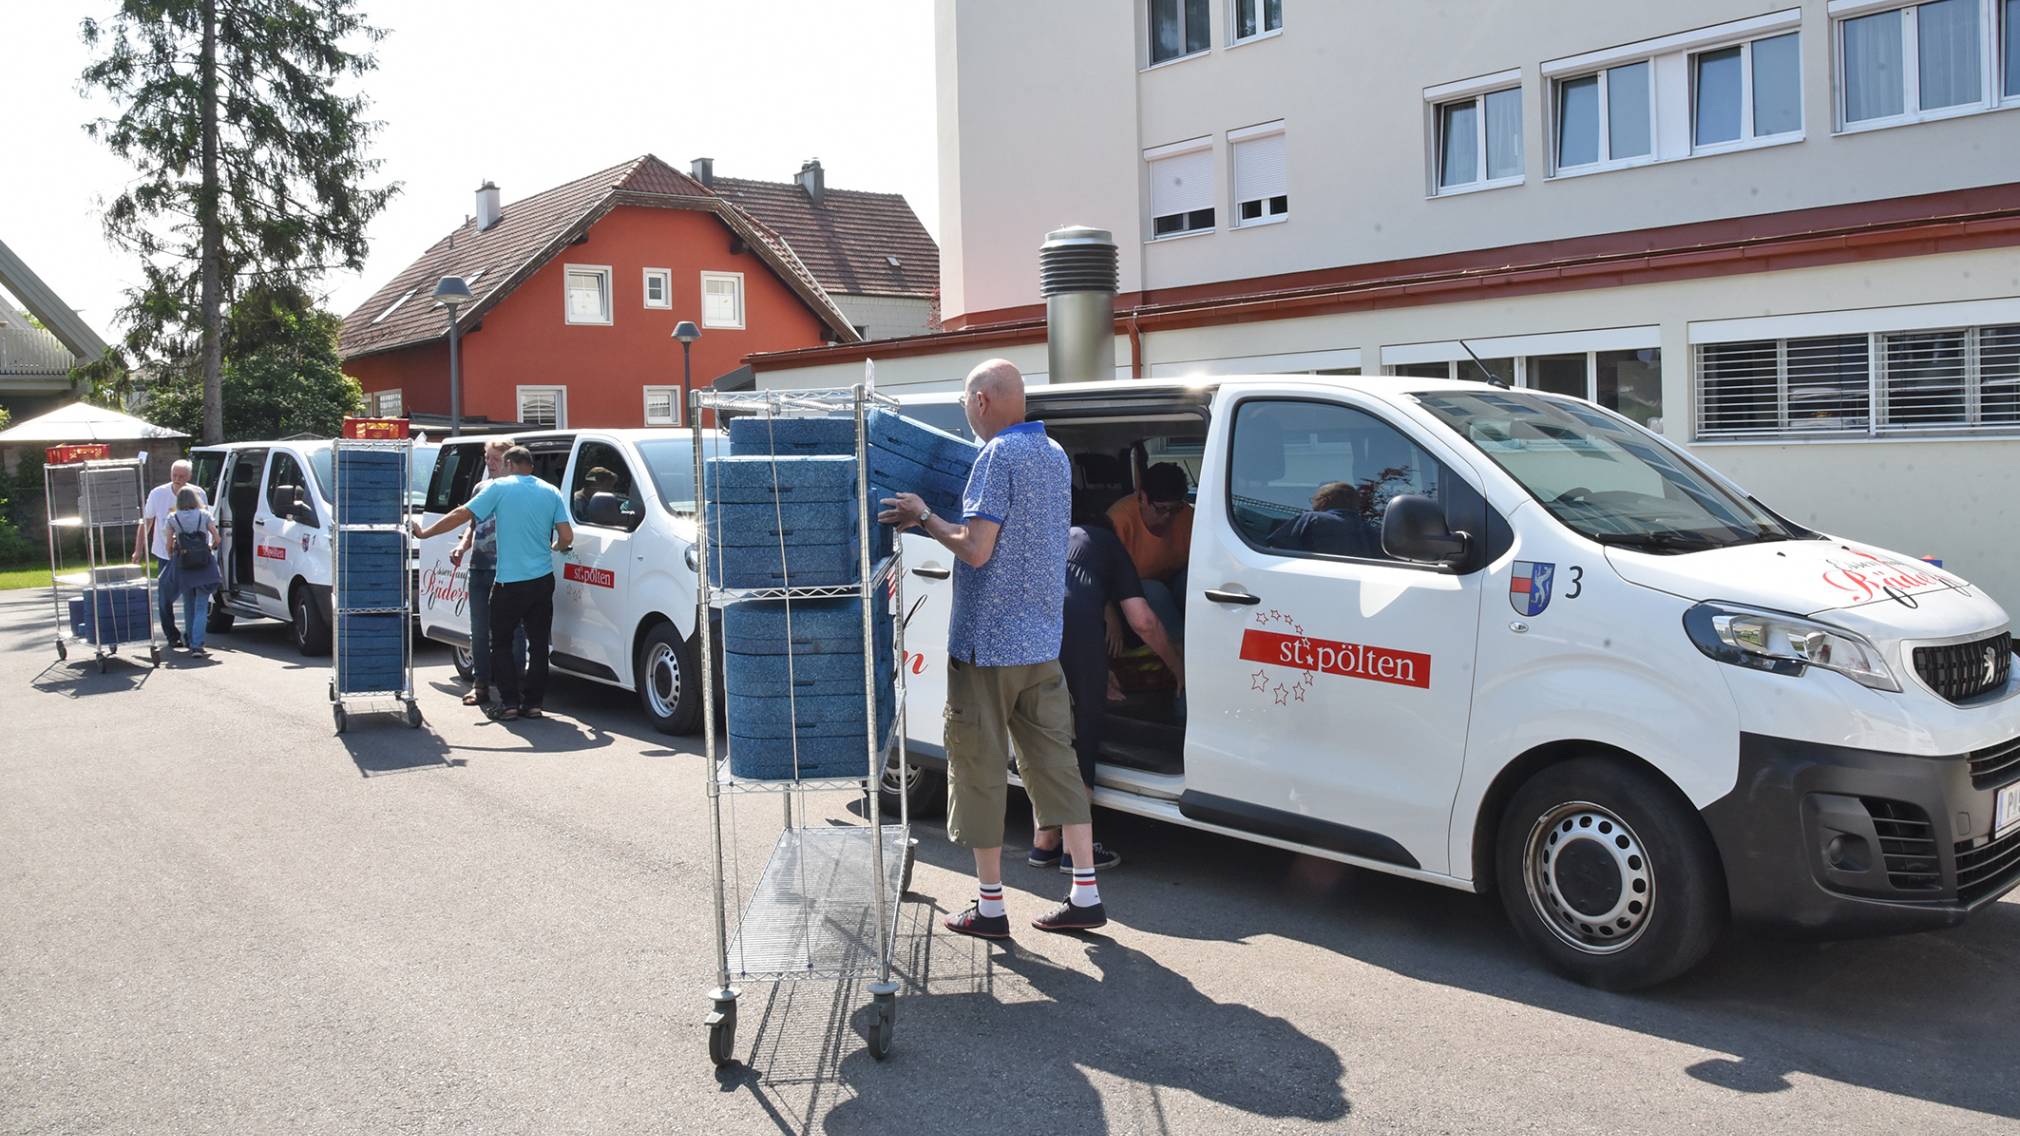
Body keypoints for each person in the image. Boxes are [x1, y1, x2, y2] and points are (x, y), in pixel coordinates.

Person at [879, 358, 1108, 938]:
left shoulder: (996, 456)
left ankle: (989, 907)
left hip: (986, 647)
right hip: (1040, 643)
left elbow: (977, 548)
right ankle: (1085, 893)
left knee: (978, 769)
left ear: (982, 401)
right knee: (1056, 762)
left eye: (964, 401)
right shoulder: (1054, 455)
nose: (965, 411)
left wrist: (923, 515)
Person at [1027, 514, 1184, 873]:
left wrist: (1100, 666)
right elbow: (1143, 620)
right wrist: (1177, 666)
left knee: (1048, 733)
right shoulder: (1111, 547)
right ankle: (1075, 850)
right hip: (1074, 631)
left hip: (1034, 631)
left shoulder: (1055, 537)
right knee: (1083, 732)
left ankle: (1044, 841)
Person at [412, 446, 571, 721]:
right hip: (543, 582)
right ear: (530, 466)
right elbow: (567, 536)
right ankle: (533, 704)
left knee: (501, 643)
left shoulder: (499, 488)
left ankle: (509, 703)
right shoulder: (551, 491)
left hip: (509, 582)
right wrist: (556, 546)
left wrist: (425, 533)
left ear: (509, 464)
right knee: (537, 644)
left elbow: (461, 514)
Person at [449, 438, 526, 708]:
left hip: (507, 570)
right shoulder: (481, 488)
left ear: (508, 461)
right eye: (487, 458)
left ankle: (517, 686)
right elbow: (473, 524)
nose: (489, 464)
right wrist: (461, 546)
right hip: (479, 566)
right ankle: (480, 685)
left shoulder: (520, 490)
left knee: (513, 630)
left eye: (494, 459)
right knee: (479, 631)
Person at [1106, 462, 1192, 642]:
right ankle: (1179, 648)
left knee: (1192, 581)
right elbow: (1097, 575)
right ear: (1143, 498)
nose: (1168, 516)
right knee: (1155, 591)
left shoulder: (1186, 517)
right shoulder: (1119, 521)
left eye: (1175, 509)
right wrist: (1111, 619)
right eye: (1161, 509)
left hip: (1172, 581)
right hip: (1130, 593)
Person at [133, 459, 208, 648]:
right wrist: (138, 550)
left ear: (189, 477)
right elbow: (147, 522)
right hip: (165, 554)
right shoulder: (158, 494)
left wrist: (205, 550)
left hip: (190, 555)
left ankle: (190, 636)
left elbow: (205, 523)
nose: (177, 479)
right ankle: (171, 633)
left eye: (182, 476)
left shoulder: (198, 493)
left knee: (190, 596)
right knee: (165, 598)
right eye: (174, 475)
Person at [164, 487, 222, 658]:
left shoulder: (172, 518)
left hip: (184, 563)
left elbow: (168, 544)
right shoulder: (204, 515)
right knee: (202, 606)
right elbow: (217, 538)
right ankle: (197, 645)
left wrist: (172, 555)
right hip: (203, 563)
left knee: (188, 603)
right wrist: (210, 548)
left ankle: (190, 641)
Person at [1265, 481, 1377, 557]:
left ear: (1323, 500)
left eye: (1313, 499)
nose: (1313, 503)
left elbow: (1274, 550)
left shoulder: (1311, 518)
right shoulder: (1373, 531)